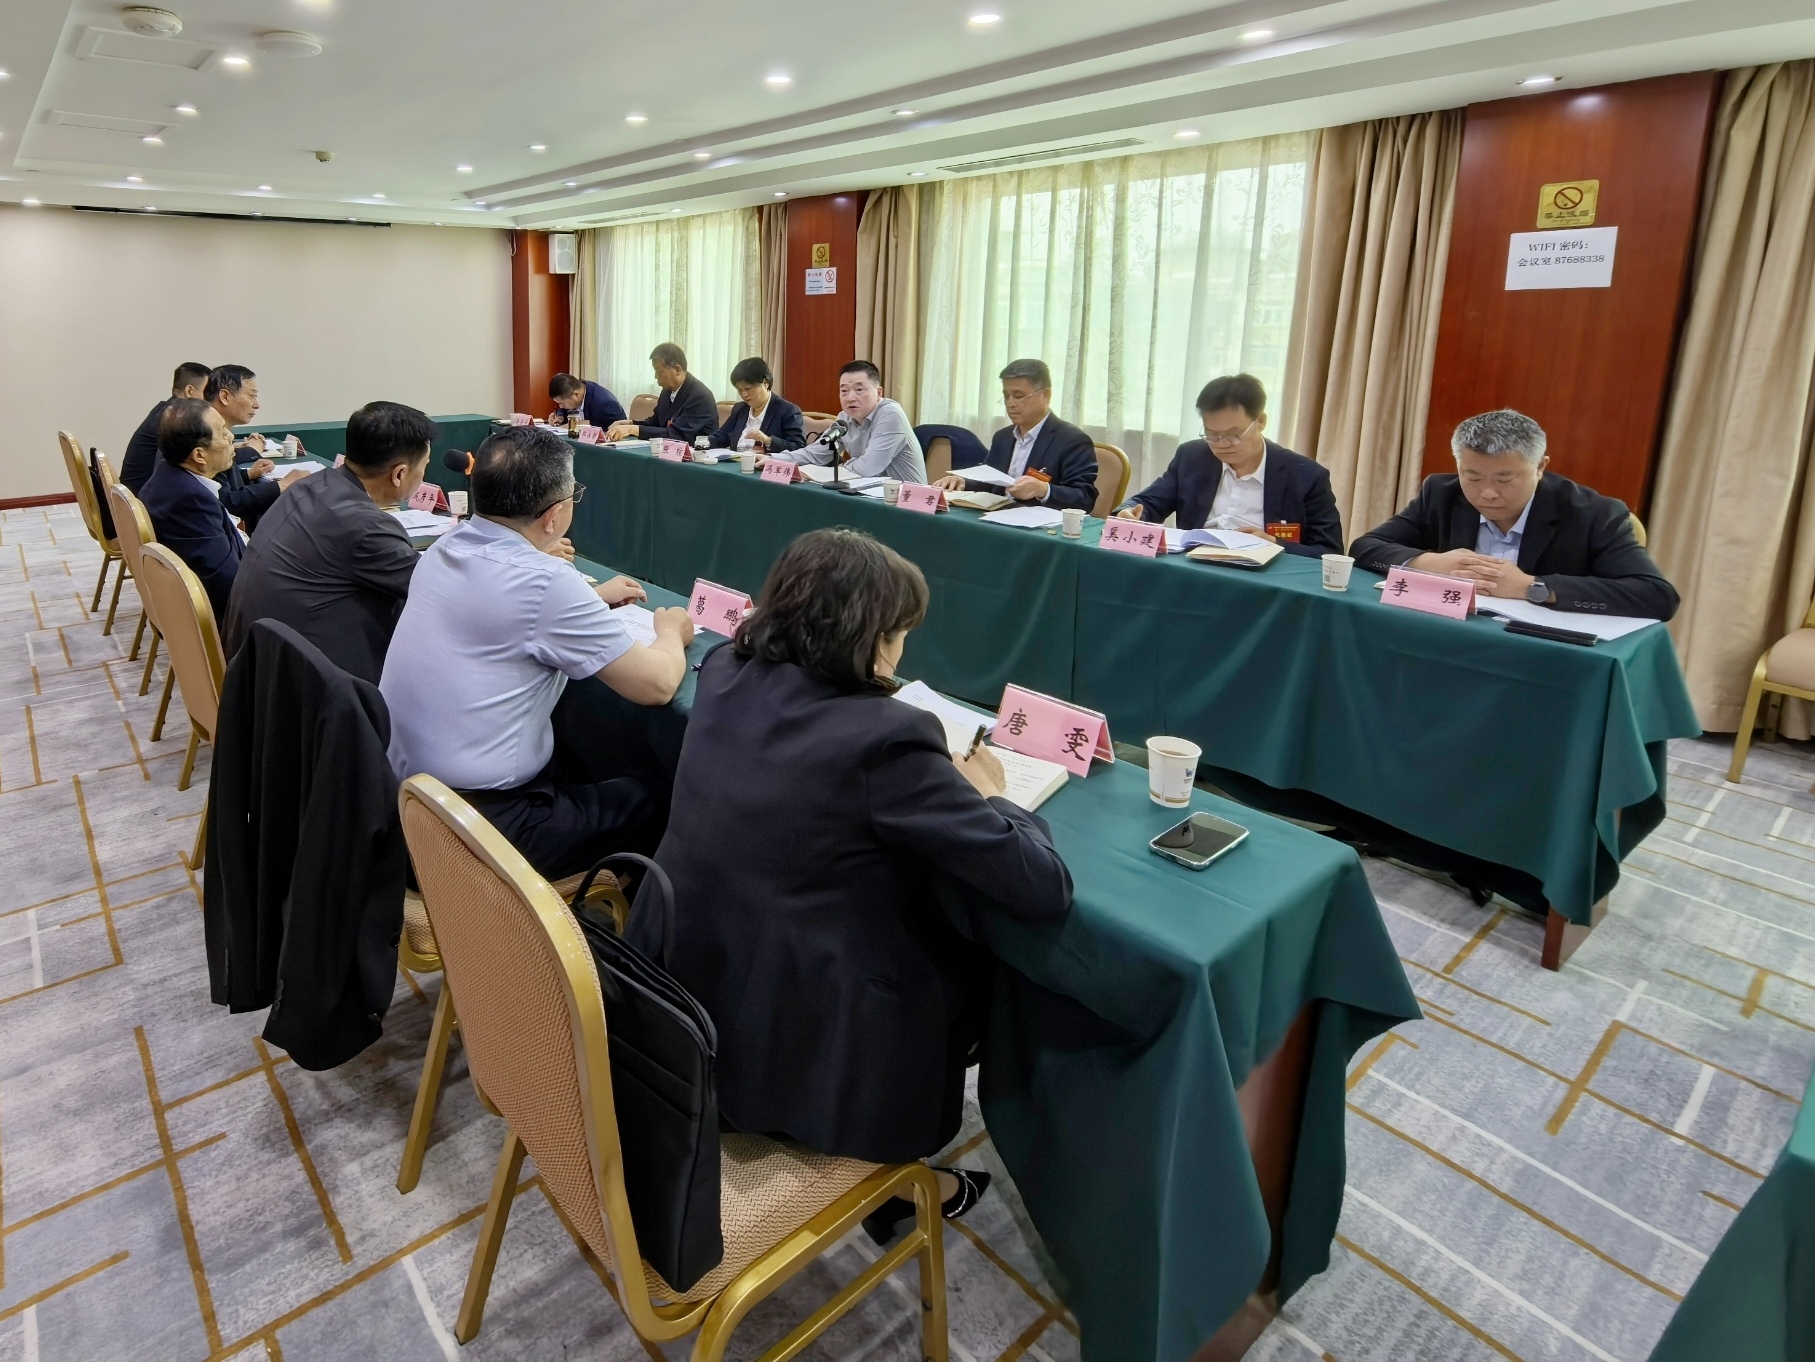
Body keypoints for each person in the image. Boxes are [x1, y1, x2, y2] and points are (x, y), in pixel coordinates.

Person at [629, 527, 1072, 1241]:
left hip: (677, 979)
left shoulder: (723, 669)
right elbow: (1039, 885)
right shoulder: (887, 738)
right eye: (898, 635)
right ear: (869, 638)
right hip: (791, 1020)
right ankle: (882, 1169)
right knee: (965, 957)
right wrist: (993, 794)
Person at [380, 425, 696, 879]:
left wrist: (588, 597)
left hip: (407, 799)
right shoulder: (546, 582)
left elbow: (503, 608)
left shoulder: (445, 545)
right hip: (477, 826)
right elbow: (658, 684)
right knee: (660, 799)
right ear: (553, 516)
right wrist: (670, 631)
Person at [1350, 408, 1680, 619]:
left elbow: (1657, 597)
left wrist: (1530, 587)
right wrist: (1432, 563)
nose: (1487, 492)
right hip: (1452, 634)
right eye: (1472, 476)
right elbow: (1365, 547)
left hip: (1541, 655)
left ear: (1540, 467)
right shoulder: (1442, 493)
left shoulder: (1594, 514)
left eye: (1504, 479)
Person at [223, 402, 439, 683]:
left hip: (254, 666)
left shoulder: (310, 485)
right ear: (399, 474)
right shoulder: (366, 527)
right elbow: (434, 591)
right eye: (425, 466)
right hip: (297, 688)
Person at [1114, 373, 1342, 558]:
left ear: (1261, 421)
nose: (1221, 445)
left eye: (1233, 435)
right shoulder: (1192, 457)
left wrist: (1275, 543)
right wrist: (1129, 513)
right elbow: (1148, 503)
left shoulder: (1305, 476)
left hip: (1261, 577)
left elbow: (1329, 551)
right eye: (1212, 435)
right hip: (1194, 567)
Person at [934, 359, 1099, 511]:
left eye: (1019, 396)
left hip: (1039, 524)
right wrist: (963, 481)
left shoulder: (1071, 440)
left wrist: (1043, 490)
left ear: (1045, 395)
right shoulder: (1003, 437)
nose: (1011, 403)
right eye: (1006, 396)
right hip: (997, 516)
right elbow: (990, 480)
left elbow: (1085, 498)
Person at [139, 398, 244, 622]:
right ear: (199, 455)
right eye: (222, 432)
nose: (230, 437)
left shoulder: (167, 474)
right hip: (225, 620)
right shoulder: (191, 500)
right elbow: (228, 582)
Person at [764, 360, 927, 483]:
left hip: (906, 504)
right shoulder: (844, 418)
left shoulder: (891, 414)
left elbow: (869, 467)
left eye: (859, 390)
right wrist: (773, 459)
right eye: (844, 391)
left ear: (878, 393)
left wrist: (837, 470)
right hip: (868, 494)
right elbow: (816, 452)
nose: (850, 398)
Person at [206, 364, 306, 531]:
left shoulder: (215, 429)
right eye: (251, 396)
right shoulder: (204, 434)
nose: (256, 405)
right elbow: (225, 502)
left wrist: (248, 474)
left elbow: (221, 482)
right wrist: (281, 485)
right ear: (224, 396)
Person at [602, 343, 719, 445]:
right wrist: (630, 423)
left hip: (698, 456)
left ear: (677, 370)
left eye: (659, 371)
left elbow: (677, 434)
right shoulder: (667, 390)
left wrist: (633, 429)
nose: (656, 376)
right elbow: (656, 423)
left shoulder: (700, 396)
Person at [122, 362, 212, 493]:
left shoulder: (166, 411)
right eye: (207, 392)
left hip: (137, 495)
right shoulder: (174, 418)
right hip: (143, 498)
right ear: (189, 391)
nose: (210, 399)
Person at [708, 357, 805, 452]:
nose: (744, 394)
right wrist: (703, 442)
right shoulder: (740, 408)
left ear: (765, 383)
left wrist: (768, 440)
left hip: (763, 462)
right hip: (736, 460)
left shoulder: (788, 411)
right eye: (740, 390)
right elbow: (721, 436)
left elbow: (797, 447)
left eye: (748, 389)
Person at [548, 372, 626, 431]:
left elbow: (618, 427)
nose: (561, 406)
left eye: (562, 403)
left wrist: (589, 423)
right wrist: (559, 416)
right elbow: (563, 410)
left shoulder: (604, 402)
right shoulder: (574, 391)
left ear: (576, 394)